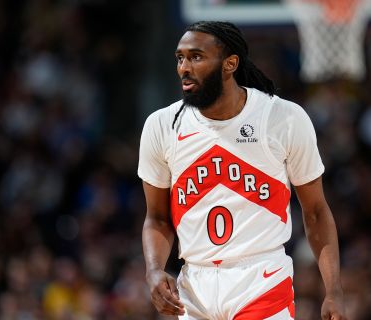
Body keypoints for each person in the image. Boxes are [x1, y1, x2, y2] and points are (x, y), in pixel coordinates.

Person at [138, 20, 346, 320]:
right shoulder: (161, 126)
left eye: (196, 56)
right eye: (180, 58)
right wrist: (154, 270)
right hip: (194, 284)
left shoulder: (283, 118)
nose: (184, 67)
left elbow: (315, 211)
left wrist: (334, 289)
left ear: (230, 64)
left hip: (261, 277)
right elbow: (157, 218)